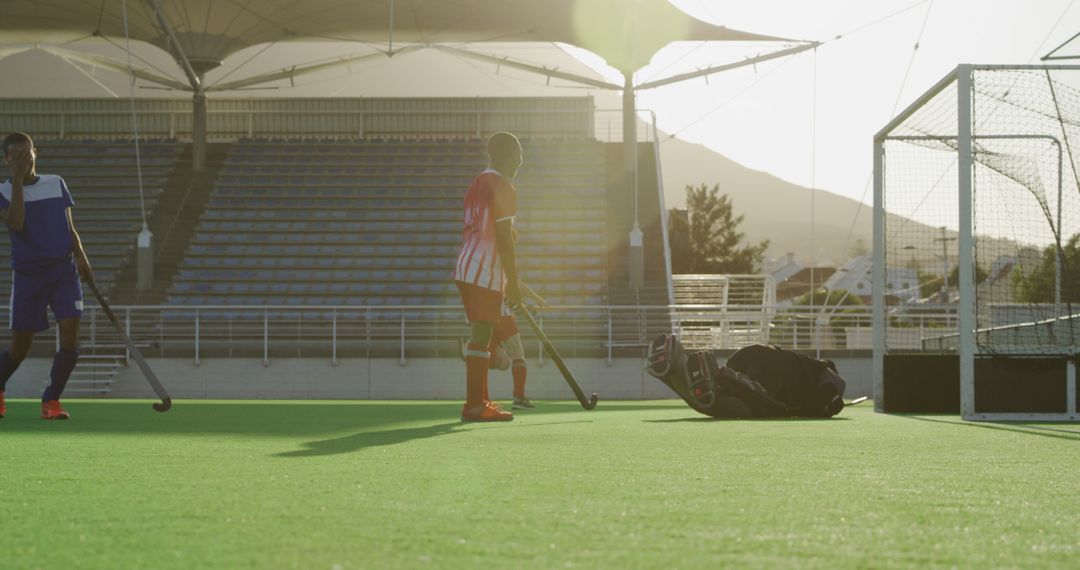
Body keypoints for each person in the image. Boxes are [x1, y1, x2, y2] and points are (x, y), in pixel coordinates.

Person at [0, 132, 93, 420]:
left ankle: (51, 401)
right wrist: (17, 180)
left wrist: (81, 256)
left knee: (70, 337)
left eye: (27, 154)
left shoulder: (56, 183)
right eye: (16, 156)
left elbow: (69, 226)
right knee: (20, 347)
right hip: (29, 276)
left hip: (63, 271)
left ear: (36, 153)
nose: (24, 160)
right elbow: (16, 223)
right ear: (7, 160)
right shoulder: (3, 191)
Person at [453, 132, 524, 422]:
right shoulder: (504, 186)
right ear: (507, 155)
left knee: (480, 338)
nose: (521, 161)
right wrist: (514, 283)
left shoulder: (477, 183)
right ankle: (474, 405)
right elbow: (505, 239)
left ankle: (481, 401)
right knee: (480, 340)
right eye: (519, 154)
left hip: (467, 268)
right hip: (485, 271)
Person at [646, 333, 848, 419]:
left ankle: (676, 364)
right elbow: (823, 403)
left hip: (752, 354)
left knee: (720, 396)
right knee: (762, 403)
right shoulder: (831, 381)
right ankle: (720, 379)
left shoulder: (808, 365)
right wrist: (827, 408)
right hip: (774, 368)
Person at [461, 282, 550, 410]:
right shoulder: (495, 267)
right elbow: (518, 285)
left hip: (479, 317)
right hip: (501, 316)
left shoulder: (473, 272)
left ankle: (482, 400)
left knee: (490, 359)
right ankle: (519, 398)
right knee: (517, 354)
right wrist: (540, 300)